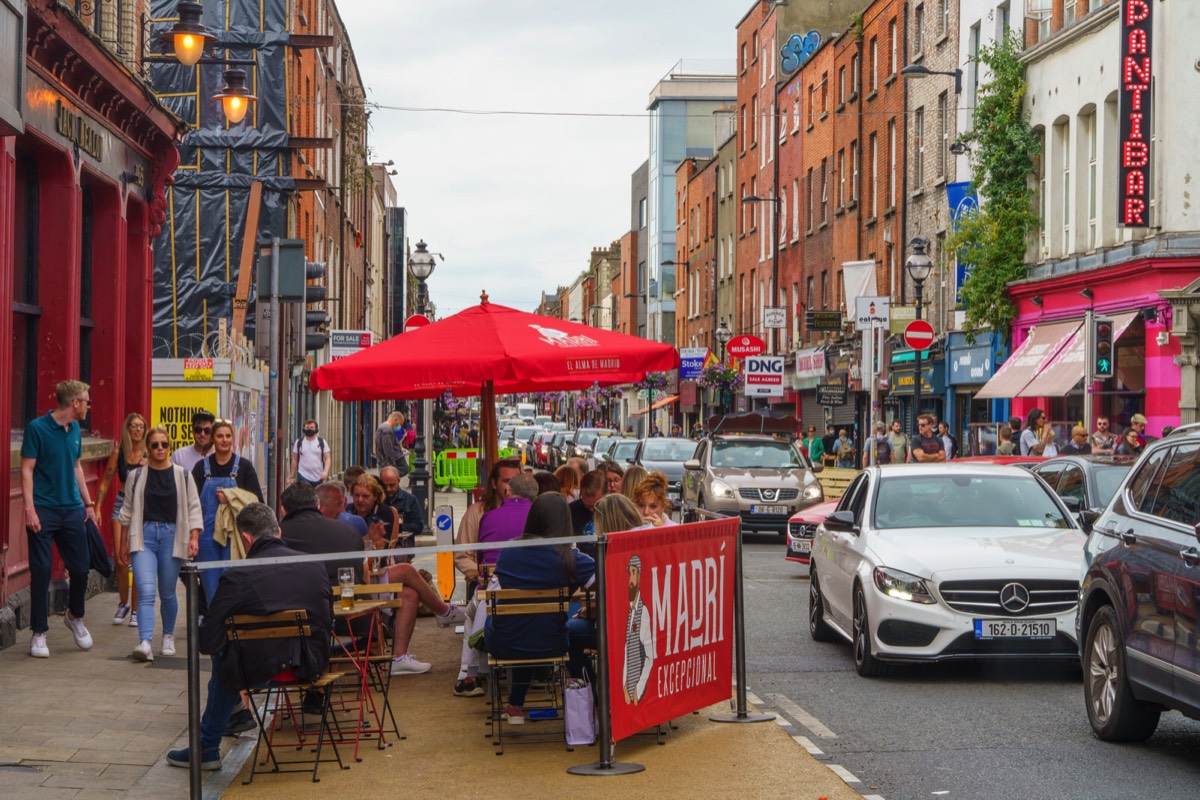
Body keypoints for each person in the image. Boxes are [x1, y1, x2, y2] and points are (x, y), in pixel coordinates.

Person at [165, 503, 332, 771]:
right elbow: (327, 620)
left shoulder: (238, 576)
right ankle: (224, 725)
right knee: (229, 652)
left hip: (261, 672)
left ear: (245, 538)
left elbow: (207, 641)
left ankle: (208, 745)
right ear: (278, 530)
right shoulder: (314, 565)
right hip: (312, 667)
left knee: (225, 653)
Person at [485, 493, 596, 725]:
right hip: (552, 642)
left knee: (520, 618)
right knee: (543, 623)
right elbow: (605, 580)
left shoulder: (509, 551)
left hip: (505, 643)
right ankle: (589, 702)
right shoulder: (570, 558)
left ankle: (515, 704)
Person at [21, 380, 99, 658]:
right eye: (87, 401)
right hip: (43, 508)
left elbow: (77, 466)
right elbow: (27, 470)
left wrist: (88, 504)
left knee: (80, 568)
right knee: (41, 570)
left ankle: (74, 616)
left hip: (72, 509)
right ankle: (39, 633)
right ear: (74, 403)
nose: (89, 406)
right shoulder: (37, 429)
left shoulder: (75, 429)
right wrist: (29, 509)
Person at [118, 427, 203, 661]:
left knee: (167, 592)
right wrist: (124, 543)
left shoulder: (183, 475)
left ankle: (167, 635)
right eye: (154, 445)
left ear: (170, 447)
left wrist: (194, 537)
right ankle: (145, 641)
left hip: (172, 535)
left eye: (164, 444)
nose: (159, 449)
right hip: (143, 534)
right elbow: (126, 511)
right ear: (148, 447)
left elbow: (194, 508)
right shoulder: (136, 476)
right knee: (145, 590)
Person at [452, 473, 538, 697]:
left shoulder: (488, 517)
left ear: (509, 492)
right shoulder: (540, 518)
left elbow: (481, 563)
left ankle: (469, 674)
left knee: (473, 612)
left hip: (494, 597)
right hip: (535, 599)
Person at [192, 420, 264, 601]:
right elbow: (190, 504)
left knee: (235, 583)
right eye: (220, 436)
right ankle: (215, 622)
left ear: (233, 438)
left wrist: (232, 497)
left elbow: (257, 502)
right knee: (210, 584)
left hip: (236, 535)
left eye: (228, 436)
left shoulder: (244, 467)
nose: (224, 440)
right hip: (206, 536)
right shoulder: (201, 468)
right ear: (213, 440)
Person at [455, 458, 522, 593]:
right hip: (484, 586)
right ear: (494, 483)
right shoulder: (475, 512)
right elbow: (462, 556)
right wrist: (485, 575)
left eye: (515, 482)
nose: (511, 487)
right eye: (506, 481)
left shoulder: (529, 512)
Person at [279, 482, 365, 586]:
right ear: (317, 505)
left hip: (305, 599)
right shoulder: (350, 532)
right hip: (349, 598)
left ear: (283, 510)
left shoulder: (278, 536)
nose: (341, 510)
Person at [111, 413, 148, 626]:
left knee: (138, 561)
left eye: (141, 427)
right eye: (133, 426)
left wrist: (148, 464)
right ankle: (123, 603)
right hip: (121, 503)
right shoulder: (120, 452)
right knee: (120, 560)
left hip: (143, 508)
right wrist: (94, 507)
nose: (137, 430)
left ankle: (135, 610)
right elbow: (107, 479)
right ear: (127, 428)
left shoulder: (150, 452)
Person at [379, 466, 423, 560]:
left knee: (399, 558)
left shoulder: (410, 500)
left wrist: (397, 527)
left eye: (392, 485)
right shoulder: (377, 500)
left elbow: (418, 526)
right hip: (380, 546)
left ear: (398, 481)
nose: (388, 489)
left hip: (403, 547)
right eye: (385, 485)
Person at [289, 419, 331, 487]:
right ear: (303, 429)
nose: (309, 429)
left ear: (316, 429)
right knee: (306, 495)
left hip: (318, 476)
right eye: (307, 427)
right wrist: (292, 476)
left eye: (312, 428)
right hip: (303, 475)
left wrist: (325, 472)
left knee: (316, 496)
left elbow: (327, 458)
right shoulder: (299, 442)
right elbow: (294, 459)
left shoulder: (322, 442)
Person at [569, 470, 606, 539]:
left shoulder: (613, 511)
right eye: (586, 506)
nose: (592, 510)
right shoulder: (571, 511)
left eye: (597, 505)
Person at [375, 411, 409, 475]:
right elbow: (388, 452)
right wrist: (392, 469)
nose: (399, 427)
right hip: (387, 467)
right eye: (399, 424)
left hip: (385, 466)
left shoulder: (383, 428)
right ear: (395, 419)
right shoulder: (386, 430)